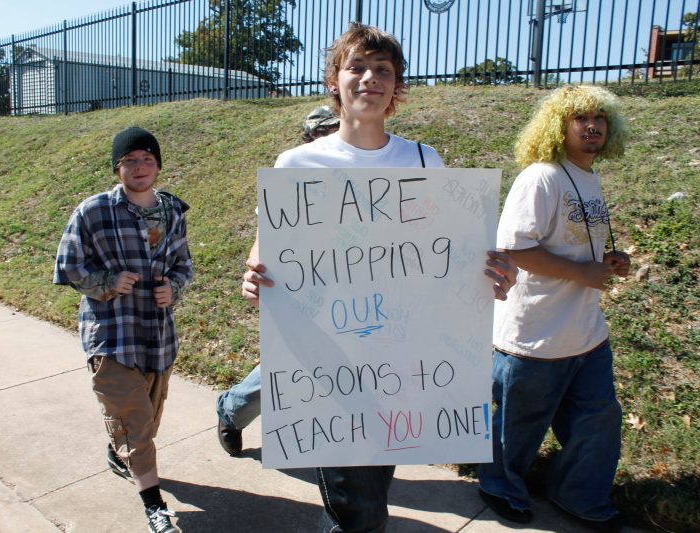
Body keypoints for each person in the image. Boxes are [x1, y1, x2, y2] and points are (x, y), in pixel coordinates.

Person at [239, 23, 517, 532]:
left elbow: (451, 249)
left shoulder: (422, 160)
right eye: (357, 67)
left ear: (396, 87)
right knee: (359, 509)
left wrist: (494, 272)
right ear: (335, 80)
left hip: (402, 358)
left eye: (383, 70)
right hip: (327, 354)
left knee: (370, 485)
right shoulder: (297, 164)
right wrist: (254, 273)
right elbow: (270, 244)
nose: (370, 78)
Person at [477, 85, 630, 531]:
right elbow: (513, 248)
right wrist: (583, 274)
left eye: (600, 118)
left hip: (586, 334)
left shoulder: (588, 177)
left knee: (597, 423)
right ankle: (498, 487)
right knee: (517, 430)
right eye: (580, 118)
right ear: (558, 125)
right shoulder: (541, 177)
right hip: (534, 335)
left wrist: (606, 264)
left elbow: (570, 246)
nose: (592, 126)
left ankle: (579, 496)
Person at [53, 126, 193, 533]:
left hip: (156, 336)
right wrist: (109, 282)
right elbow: (69, 265)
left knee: (145, 421)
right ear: (118, 169)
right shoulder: (93, 211)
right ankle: (155, 505)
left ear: (158, 165)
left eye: (146, 159)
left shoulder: (172, 211)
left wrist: (174, 287)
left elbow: (184, 266)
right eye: (129, 160)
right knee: (134, 419)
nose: (139, 167)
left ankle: (121, 453)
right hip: (112, 333)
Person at [216, 106, 341, 457]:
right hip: (299, 287)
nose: (327, 138)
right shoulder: (292, 174)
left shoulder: (361, 175)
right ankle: (232, 410)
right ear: (310, 138)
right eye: (321, 133)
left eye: (333, 130)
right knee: (287, 364)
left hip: (350, 287)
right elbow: (266, 229)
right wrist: (258, 265)